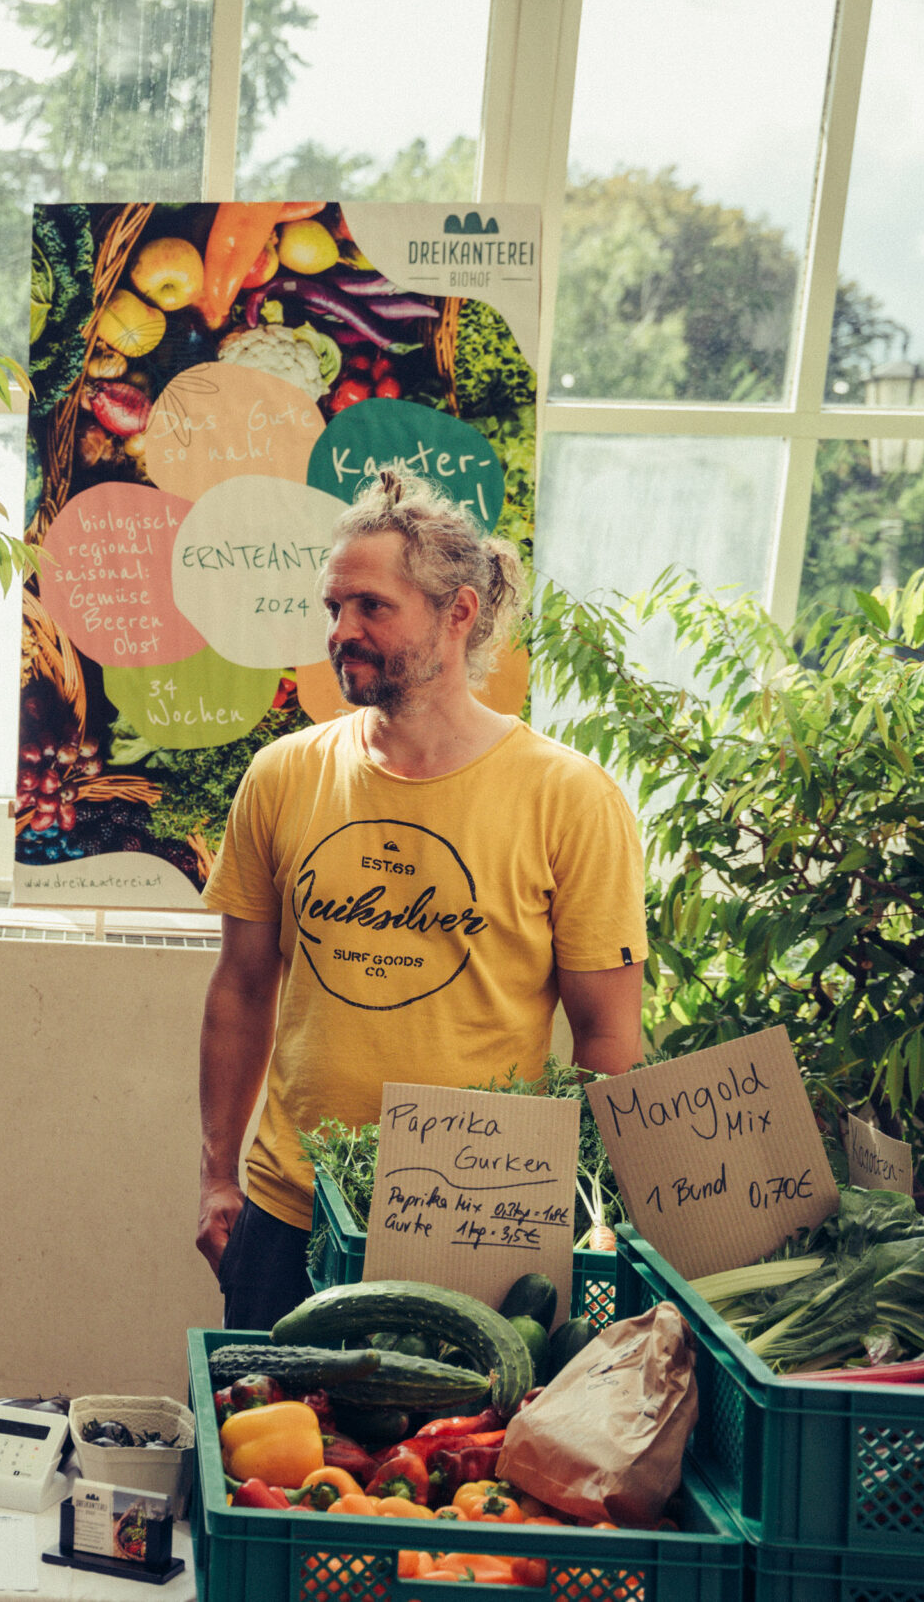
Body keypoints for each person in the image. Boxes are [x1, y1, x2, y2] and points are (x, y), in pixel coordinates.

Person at [195, 468, 646, 1330]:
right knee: (260, 1448)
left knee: (437, 1464)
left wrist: (587, 1212)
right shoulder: (284, 774)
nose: (343, 632)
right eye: (334, 608)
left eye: (372, 607)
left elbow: (607, 1034)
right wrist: (218, 1174)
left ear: (459, 613)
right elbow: (242, 986)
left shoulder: (569, 795)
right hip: (290, 1209)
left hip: (472, 1223)